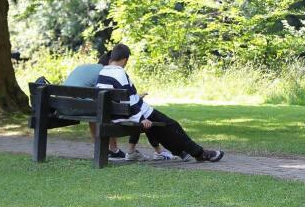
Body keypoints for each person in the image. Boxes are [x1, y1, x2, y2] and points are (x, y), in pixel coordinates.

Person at [96, 44, 224, 162]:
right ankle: (201, 153)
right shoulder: (120, 72)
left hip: (115, 115)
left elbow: (121, 97)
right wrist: (140, 118)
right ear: (124, 59)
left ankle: (183, 152)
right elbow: (127, 99)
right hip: (133, 114)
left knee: (158, 128)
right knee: (172, 126)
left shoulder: (103, 71)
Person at [65, 52, 181, 161]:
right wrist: (134, 99)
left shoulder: (83, 67)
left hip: (64, 106)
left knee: (103, 109)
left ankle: (103, 148)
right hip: (81, 107)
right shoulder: (104, 71)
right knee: (111, 111)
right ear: (109, 64)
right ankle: (114, 149)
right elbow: (112, 98)